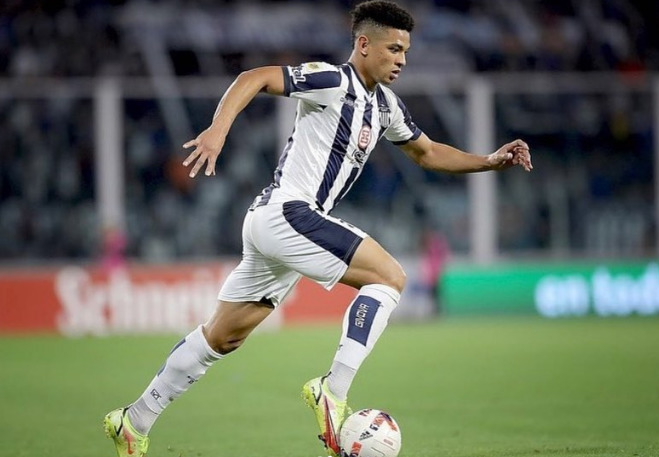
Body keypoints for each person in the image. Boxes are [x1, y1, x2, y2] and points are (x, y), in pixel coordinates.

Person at [103, 1, 533, 456]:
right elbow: (254, 77)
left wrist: (489, 161)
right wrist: (218, 129)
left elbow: (427, 153)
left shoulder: (386, 107)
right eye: (393, 49)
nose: (402, 60)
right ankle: (333, 390)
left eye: (406, 51)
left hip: (275, 224)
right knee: (389, 278)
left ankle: (134, 421)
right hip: (289, 213)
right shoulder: (332, 80)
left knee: (222, 337)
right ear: (363, 45)